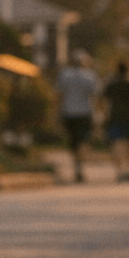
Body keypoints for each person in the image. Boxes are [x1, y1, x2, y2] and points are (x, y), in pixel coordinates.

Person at [56, 49, 100, 183]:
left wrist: (56, 113)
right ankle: (80, 166)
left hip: (68, 112)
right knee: (83, 140)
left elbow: (58, 95)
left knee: (73, 142)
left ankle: (77, 166)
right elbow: (96, 96)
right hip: (85, 113)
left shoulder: (64, 75)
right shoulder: (90, 76)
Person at [102, 59, 129, 182]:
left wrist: (104, 115)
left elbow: (103, 101)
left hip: (115, 117)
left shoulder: (111, 85)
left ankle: (120, 171)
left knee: (117, 144)